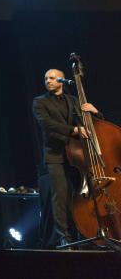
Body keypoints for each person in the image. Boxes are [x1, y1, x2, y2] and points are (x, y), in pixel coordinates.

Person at [32, 69, 101, 248]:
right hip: (56, 156)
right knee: (60, 197)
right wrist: (73, 130)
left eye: (52, 78)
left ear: (62, 81)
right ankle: (64, 237)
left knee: (81, 195)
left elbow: (91, 126)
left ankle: (86, 232)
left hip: (77, 156)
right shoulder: (40, 102)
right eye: (46, 78)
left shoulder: (73, 101)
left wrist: (95, 112)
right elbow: (47, 125)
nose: (48, 80)